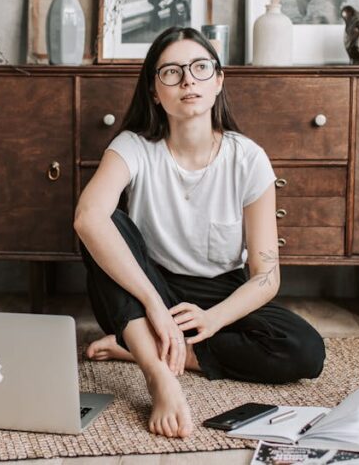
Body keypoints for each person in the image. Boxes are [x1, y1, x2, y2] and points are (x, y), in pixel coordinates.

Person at [73, 27, 326, 439]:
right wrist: (154, 305)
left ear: (219, 80)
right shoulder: (134, 146)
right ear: (155, 91)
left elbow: (266, 276)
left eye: (199, 68)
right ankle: (158, 373)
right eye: (171, 72)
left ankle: (137, 345)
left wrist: (212, 319)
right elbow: (87, 217)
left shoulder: (248, 159)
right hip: (145, 286)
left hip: (218, 292)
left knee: (304, 350)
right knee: (104, 225)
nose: (188, 80)